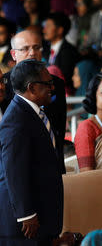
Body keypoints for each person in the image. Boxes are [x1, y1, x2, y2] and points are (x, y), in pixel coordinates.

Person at [0, 60, 64, 244]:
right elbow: (14, 171)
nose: (52, 87)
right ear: (32, 88)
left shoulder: (33, 112)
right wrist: (26, 214)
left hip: (42, 215)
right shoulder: (16, 120)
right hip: (26, 225)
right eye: (48, 83)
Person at [6, 30, 67, 174]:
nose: (32, 53)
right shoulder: (4, 84)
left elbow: (59, 127)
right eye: (25, 49)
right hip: (19, 166)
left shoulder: (56, 83)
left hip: (53, 165)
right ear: (14, 54)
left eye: (36, 47)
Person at [43, 12, 81, 95]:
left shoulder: (70, 51)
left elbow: (65, 77)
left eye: (48, 26)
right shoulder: (44, 50)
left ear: (60, 30)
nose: (44, 30)